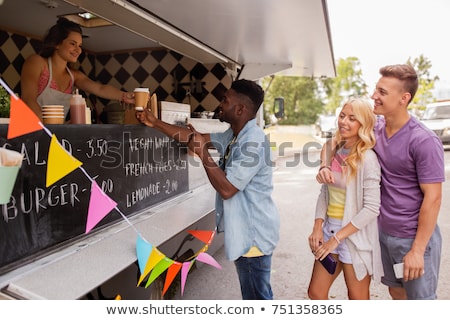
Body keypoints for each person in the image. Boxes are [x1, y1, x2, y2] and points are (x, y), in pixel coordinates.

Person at [136, 79, 280, 300]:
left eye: (225, 100)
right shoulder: (235, 135)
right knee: (258, 295)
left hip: (253, 237)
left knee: (257, 300)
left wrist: (203, 154)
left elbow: (228, 189)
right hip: (249, 234)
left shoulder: (253, 142)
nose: (220, 104)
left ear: (240, 109)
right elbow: (197, 139)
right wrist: (154, 122)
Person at [317, 64, 445, 300]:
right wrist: (325, 165)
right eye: (376, 90)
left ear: (403, 98)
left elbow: (434, 198)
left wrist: (417, 250)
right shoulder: (376, 127)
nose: (374, 96)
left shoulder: (423, 140)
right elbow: (331, 142)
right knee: (396, 293)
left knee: (421, 301)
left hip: (411, 238)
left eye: (382, 92)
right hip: (382, 234)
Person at [308, 96, 383, 300]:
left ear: (363, 124)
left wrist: (336, 239)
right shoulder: (338, 151)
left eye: (352, 118)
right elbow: (325, 192)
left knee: (357, 299)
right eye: (342, 116)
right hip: (329, 230)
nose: (344, 122)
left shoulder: (368, 159)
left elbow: (371, 209)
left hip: (353, 237)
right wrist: (317, 226)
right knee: (316, 292)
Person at [21, 18, 135, 120]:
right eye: (73, 44)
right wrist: (46, 130)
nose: (78, 50)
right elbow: (28, 99)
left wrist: (124, 96)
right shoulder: (37, 62)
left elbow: (100, 88)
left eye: (80, 45)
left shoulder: (74, 75)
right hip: (33, 132)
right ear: (57, 43)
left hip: (54, 135)